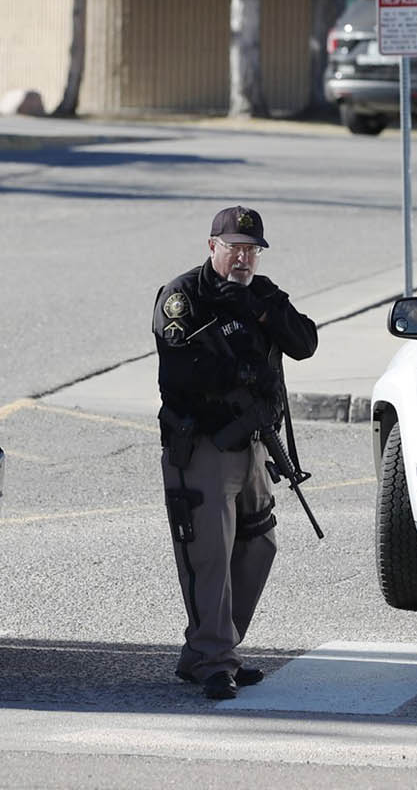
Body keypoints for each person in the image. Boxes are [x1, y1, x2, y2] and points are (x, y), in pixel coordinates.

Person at [153, 205, 318, 700]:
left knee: (259, 544)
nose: (243, 259)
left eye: (251, 250)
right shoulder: (184, 297)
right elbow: (178, 371)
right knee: (209, 557)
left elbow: (305, 342)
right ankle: (215, 660)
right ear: (213, 247)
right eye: (234, 249)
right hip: (204, 446)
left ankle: (210, 649)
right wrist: (238, 370)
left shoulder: (260, 295)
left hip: (252, 444)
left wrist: (260, 311)